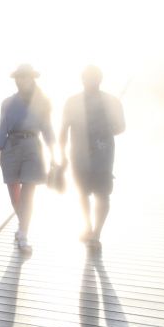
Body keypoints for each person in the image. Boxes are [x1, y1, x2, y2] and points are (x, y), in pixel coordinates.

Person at [0, 64, 56, 253]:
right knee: (15, 195)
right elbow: (1, 129)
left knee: (29, 193)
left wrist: (55, 156)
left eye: (25, 77)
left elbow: (48, 129)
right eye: (18, 77)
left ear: (32, 79)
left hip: (33, 147)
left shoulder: (42, 102)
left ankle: (23, 235)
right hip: (10, 147)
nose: (21, 80)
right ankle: (22, 226)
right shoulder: (7, 103)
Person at [59, 65, 125, 249]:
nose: (91, 81)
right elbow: (63, 129)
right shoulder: (72, 102)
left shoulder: (112, 102)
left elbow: (121, 127)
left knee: (102, 194)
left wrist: (108, 127)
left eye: (94, 78)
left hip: (103, 157)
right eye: (87, 78)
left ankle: (96, 233)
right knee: (82, 193)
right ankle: (87, 226)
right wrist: (61, 155)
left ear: (100, 79)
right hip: (78, 156)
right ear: (82, 80)